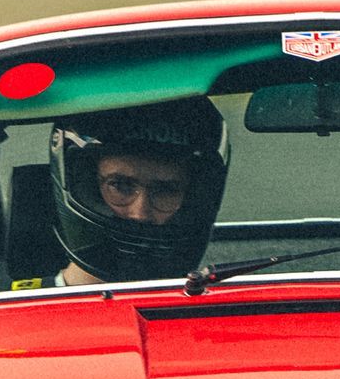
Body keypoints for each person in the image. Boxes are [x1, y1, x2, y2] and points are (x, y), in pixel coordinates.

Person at [47, 97, 227, 284]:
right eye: (120, 186)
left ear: (191, 197)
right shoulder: (18, 309)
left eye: (166, 190)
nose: (140, 214)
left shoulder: (220, 310)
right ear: (88, 186)